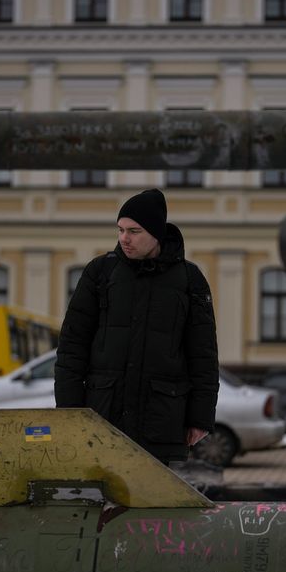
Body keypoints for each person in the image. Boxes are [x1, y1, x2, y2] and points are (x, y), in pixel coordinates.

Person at [55, 188, 219, 463]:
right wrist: (69, 411)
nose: (124, 239)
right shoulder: (100, 273)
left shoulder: (189, 279)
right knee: (102, 502)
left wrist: (200, 418)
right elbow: (72, 345)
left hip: (160, 418)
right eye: (120, 230)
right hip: (103, 415)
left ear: (156, 233)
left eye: (134, 231)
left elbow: (203, 354)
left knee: (154, 503)